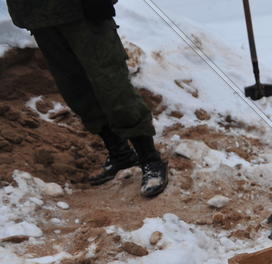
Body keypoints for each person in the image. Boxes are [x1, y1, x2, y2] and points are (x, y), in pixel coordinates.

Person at [6, 0, 168, 198]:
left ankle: (150, 159)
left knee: (112, 86)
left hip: (82, 11)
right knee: (76, 91)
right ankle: (120, 154)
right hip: (38, 18)